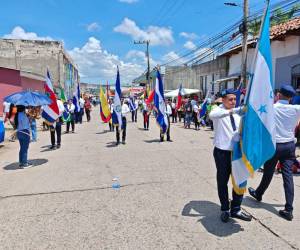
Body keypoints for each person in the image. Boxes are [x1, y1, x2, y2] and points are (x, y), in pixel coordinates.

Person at [248, 84, 300, 221]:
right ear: (291, 97)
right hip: (289, 146)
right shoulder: (296, 109)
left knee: (268, 172)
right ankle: (289, 209)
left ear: (278, 94)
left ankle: (259, 193)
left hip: (274, 145)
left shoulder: (271, 108)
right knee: (287, 176)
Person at [209, 89, 252, 223]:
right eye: (230, 99)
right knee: (222, 181)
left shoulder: (239, 113)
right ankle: (225, 209)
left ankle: (236, 209)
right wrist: (235, 110)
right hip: (222, 152)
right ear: (223, 99)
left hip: (238, 152)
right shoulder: (217, 110)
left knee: (240, 180)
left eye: (235, 99)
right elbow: (213, 115)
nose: (233, 102)